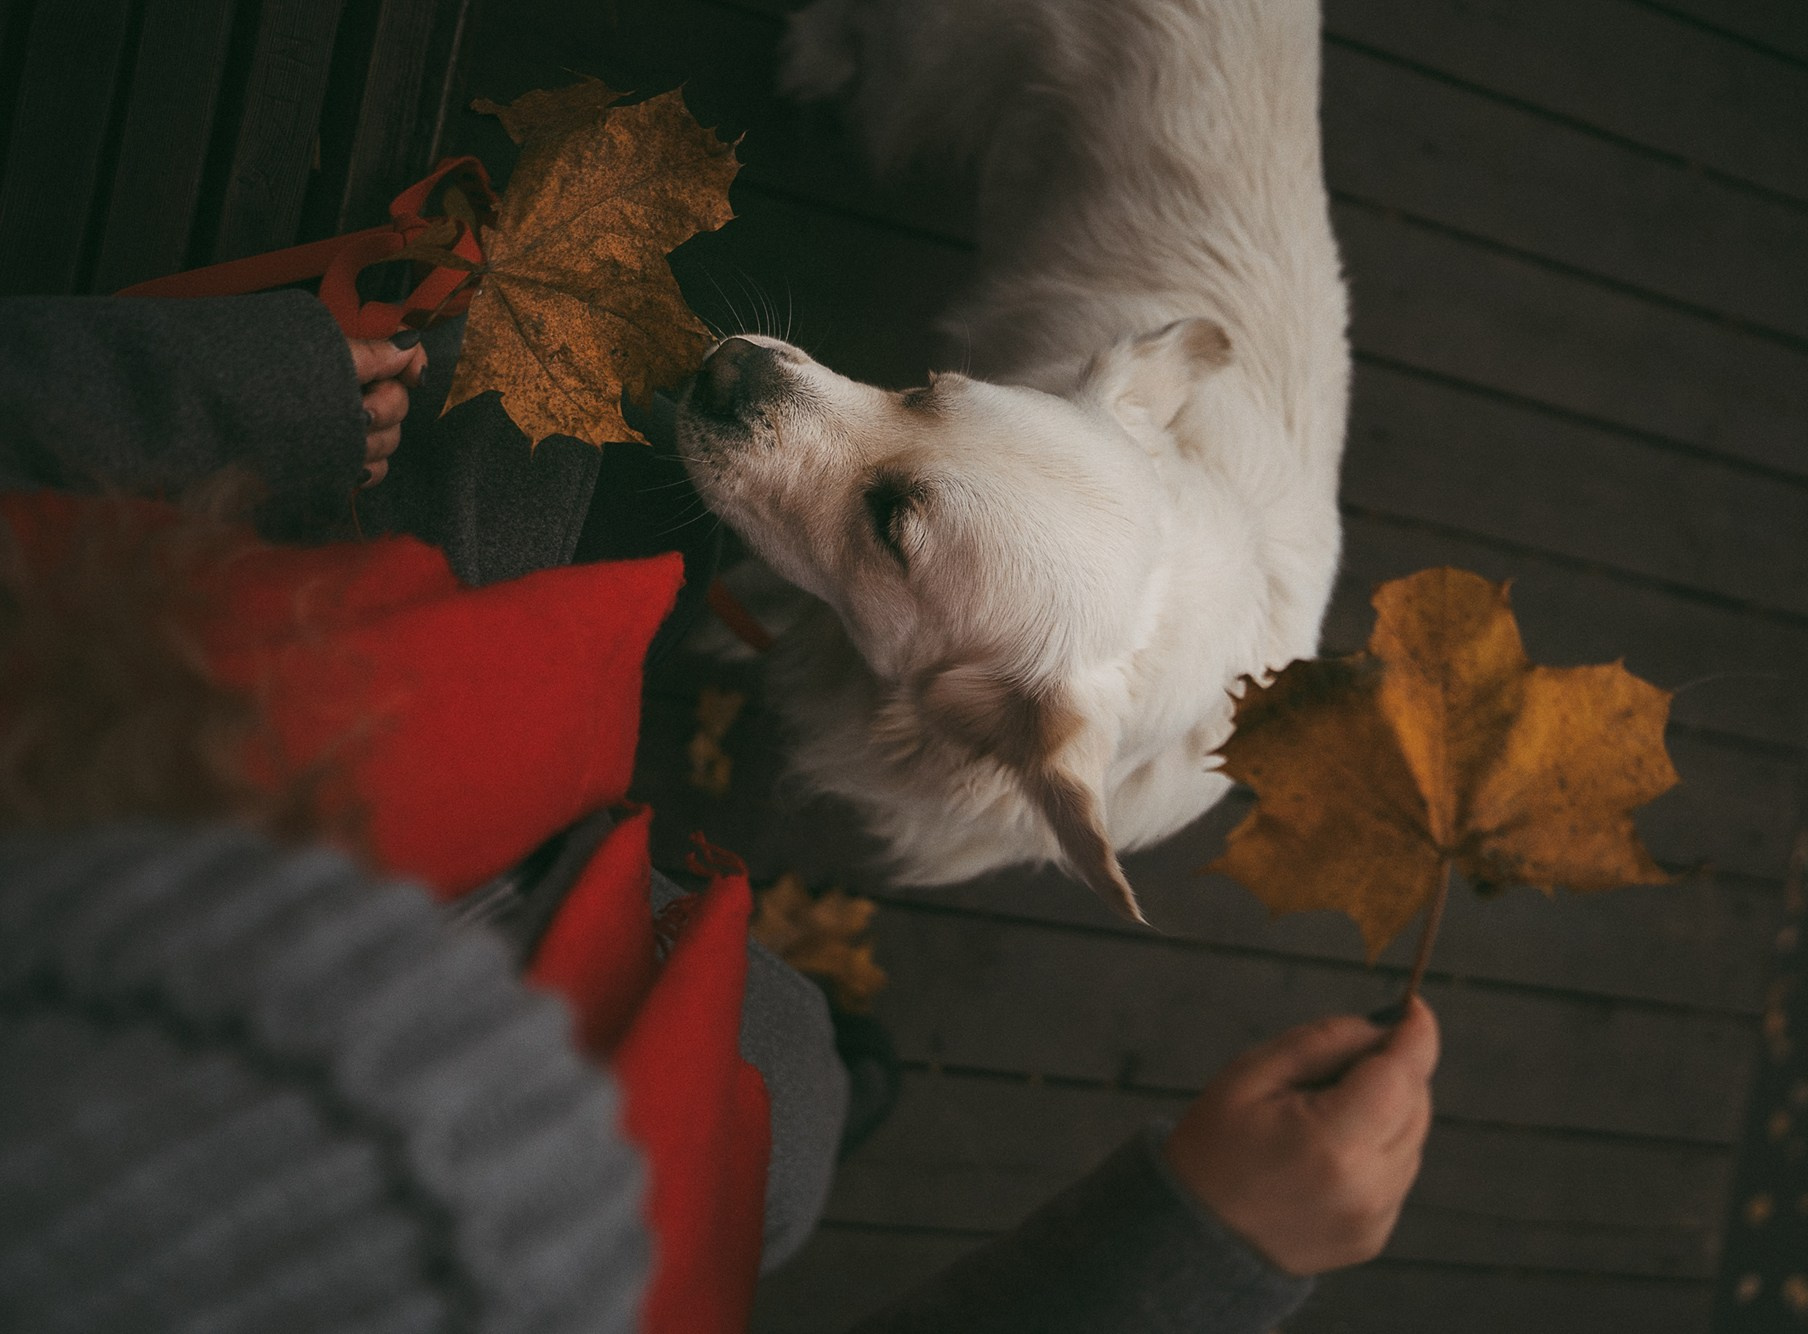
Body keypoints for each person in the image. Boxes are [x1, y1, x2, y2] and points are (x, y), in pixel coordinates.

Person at [0, 290, 1437, 1333]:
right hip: (564, 922)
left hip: (401, 731)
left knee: (773, 1059)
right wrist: (1190, 1254)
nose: (769, 366)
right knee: (780, 1094)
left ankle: (793, 1074)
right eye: (924, 392)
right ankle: (809, 1088)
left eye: (901, 485)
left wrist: (208, 399)